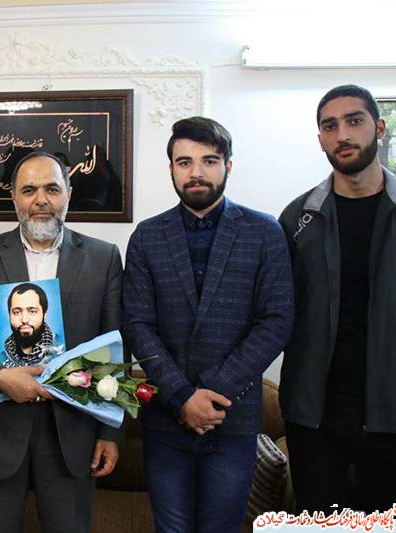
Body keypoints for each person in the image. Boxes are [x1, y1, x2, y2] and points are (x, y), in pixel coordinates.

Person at [278, 84, 396, 514]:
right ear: (320, 140)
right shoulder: (298, 218)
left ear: (380, 128)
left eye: (355, 121)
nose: (343, 135)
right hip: (314, 415)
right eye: (330, 126)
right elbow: (280, 308)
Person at [123, 117, 294, 532]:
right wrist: (183, 397)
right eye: (185, 162)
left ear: (228, 166)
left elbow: (276, 321)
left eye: (209, 160)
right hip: (166, 419)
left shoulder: (264, 232)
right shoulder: (147, 236)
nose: (196, 172)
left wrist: (209, 395)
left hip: (232, 418)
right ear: (171, 169)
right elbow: (138, 324)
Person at [0, 151, 125, 533]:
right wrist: (0, 377)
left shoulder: (104, 258)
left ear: (69, 194)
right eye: (29, 190)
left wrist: (110, 432)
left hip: (72, 434)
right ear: (14, 197)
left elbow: (115, 347)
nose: (41, 200)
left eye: (52, 189)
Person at [4, 282, 56, 367]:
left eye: (32, 311)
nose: (24, 320)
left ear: (44, 315)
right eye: (17, 312)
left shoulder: (59, 345)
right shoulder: (2, 356)